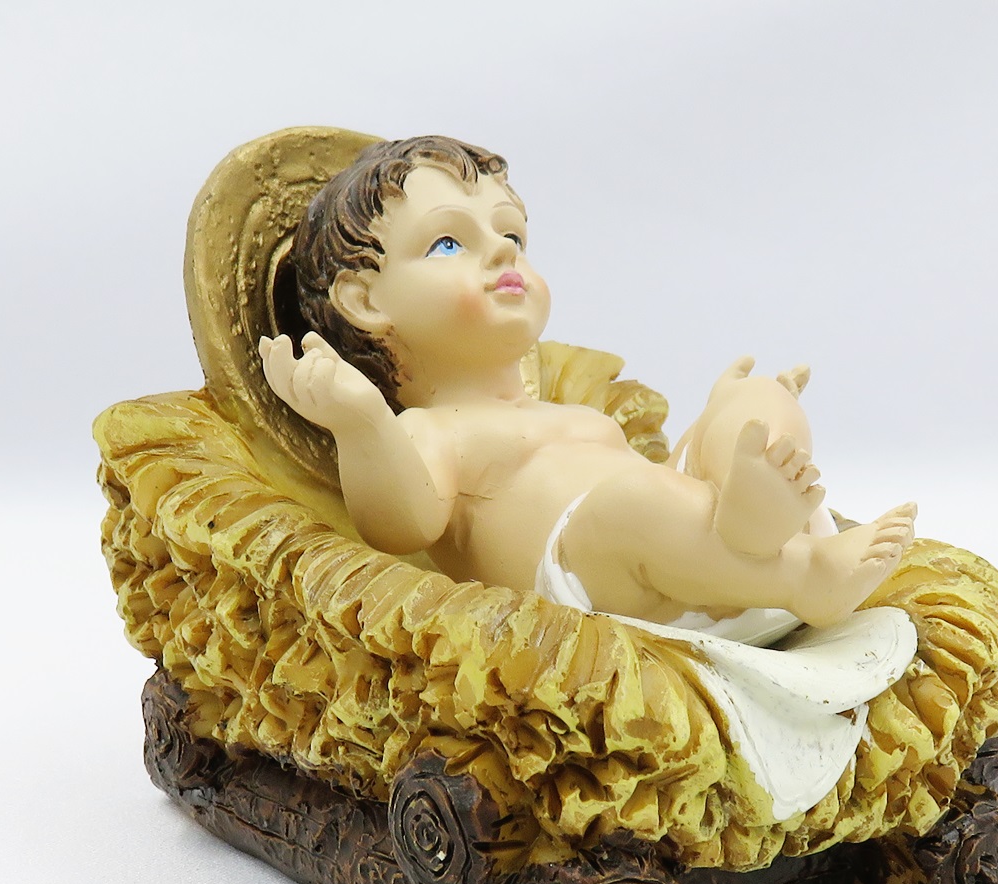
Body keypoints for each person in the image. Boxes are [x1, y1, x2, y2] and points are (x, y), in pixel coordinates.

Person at [259, 134, 915, 631]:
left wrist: (725, 422)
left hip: (687, 547)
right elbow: (400, 527)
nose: (504, 250)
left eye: (511, 233)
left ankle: (752, 524)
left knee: (751, 399)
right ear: (366, 300)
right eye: (448, 244)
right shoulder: (426, 430)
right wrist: (362, 422)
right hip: (600, 590)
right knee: (632, 502)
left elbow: (665, 480)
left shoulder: (563, 413)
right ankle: (802, 575)